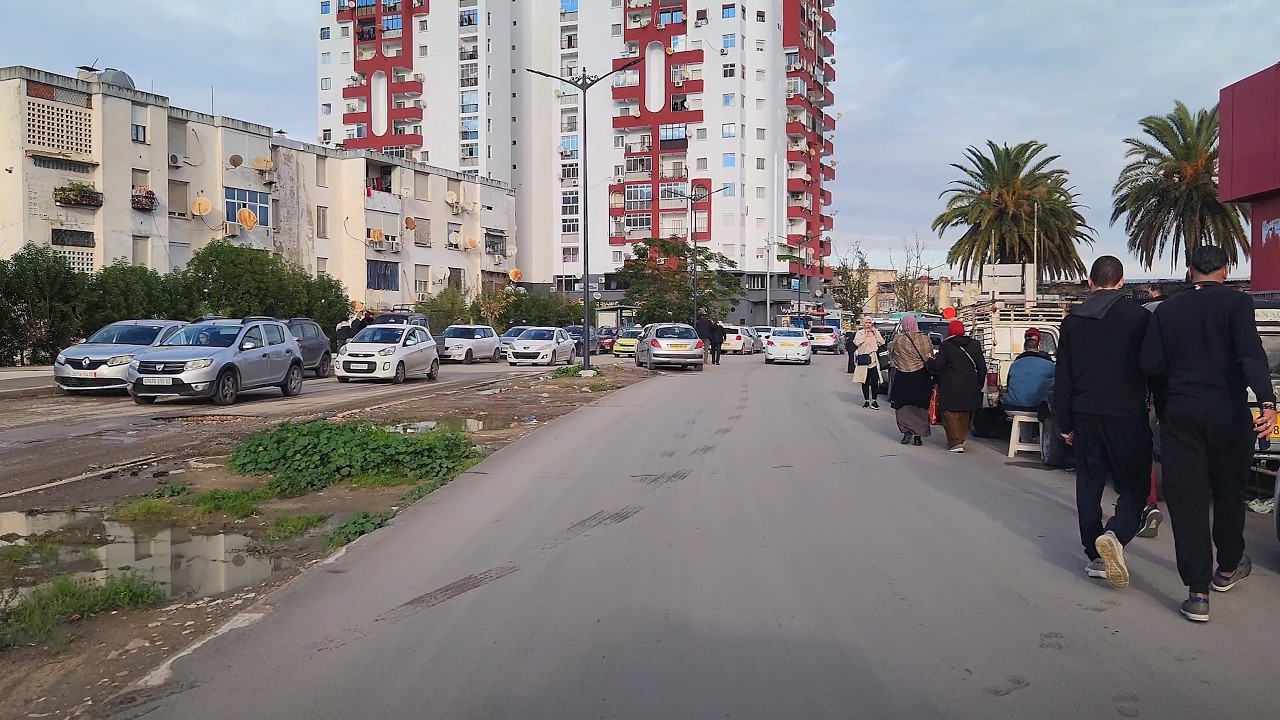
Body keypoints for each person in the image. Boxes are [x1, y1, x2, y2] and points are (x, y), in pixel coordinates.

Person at [1140, 246, 1278, 622]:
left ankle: (1197, 593)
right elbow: (1250, 355)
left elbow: (1151, 363)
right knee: (1230, 492)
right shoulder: (1237, 304)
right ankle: (1228, 567)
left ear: (1189, 272)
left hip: (1181, 413)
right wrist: (1267, 402)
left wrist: (1165, 401)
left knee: (1188, 502)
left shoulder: (1166, 309)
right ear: (1226, 270)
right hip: (1228, 412)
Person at [1054, 256, 1153, 590]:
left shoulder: (1072, 322)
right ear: (1122, 282)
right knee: (1135, 484)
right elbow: (1152, 365)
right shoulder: (1139, 317)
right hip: (1127, 414)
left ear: (1090, 281)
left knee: (1089, 485)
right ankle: (1117, 533)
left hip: (1085, 414)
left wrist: (1063, 421)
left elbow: (1063, 377)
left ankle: (1095, 554)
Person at [926, 320, 986, 453]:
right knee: (965, 413)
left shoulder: (946, 346)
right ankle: (961, 438)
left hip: (950, 385)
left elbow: (938, 366)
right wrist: (978, 384)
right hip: (970, 385)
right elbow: (982, 367)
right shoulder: (975, 345)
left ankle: (955, 442)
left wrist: (930, 362)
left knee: (949, 413)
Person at [887, 316, 934, 446]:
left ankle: (906, 432)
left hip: (903, 376)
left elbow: (890, 351)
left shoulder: (899, 340)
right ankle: (918, 436)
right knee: (920, 406)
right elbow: (929, 357)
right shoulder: (925, 339)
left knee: (903, 406)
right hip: (921, 377)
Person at [1002, 329, 1055, 410]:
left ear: (1024, 347)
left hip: (1013, 407)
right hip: (1040, 407)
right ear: (1038, 346)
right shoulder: (1050, 364)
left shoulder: (1015, 364)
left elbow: (1008, 384)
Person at [852, 319, 885, 409]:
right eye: (866, 323)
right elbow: (857, 342)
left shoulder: (875, 332)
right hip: (864, 358)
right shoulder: (860, 333)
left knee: (874, 380)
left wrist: (875, 333)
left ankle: (874, 400)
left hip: (873, 359)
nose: (868, 325)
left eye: (870, 323)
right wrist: (865, 335)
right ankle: (866, 400)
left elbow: (882, 342)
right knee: (865, 380)